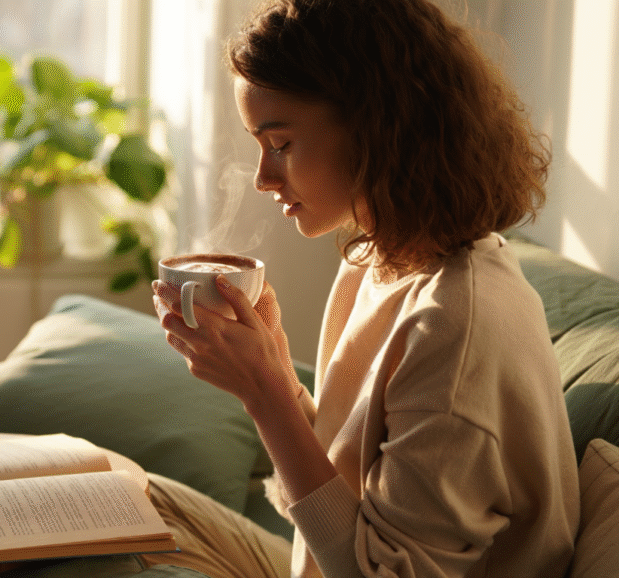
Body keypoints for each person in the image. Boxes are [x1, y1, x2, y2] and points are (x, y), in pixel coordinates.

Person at [145, 0, 580, 577]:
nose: (263, 178)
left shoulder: (454, 325)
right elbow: (344, 483)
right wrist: (274, 372)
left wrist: (265, 395)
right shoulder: (375, 261)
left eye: (280, 143)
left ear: (377, 127)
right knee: (125, 496)